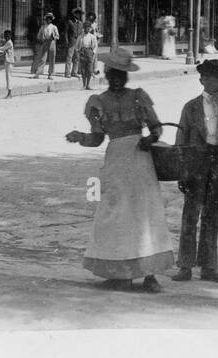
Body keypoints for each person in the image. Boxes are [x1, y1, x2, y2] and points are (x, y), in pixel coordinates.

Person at [65, 47, 175, 293]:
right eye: (112, 73)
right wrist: (79, 136)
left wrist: (150, 138)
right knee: (116, 214)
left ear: (126, 76)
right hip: (116, 161)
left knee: (145, 214)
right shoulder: (98, 102)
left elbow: (156, 128)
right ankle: (120, 273)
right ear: (106, 73)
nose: (116, 78)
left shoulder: (138, 97)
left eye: (121, 74)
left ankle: (150, 275)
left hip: (139, 160)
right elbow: (96, 139)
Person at [171, 59, 218, 284]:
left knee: (212, 216)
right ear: (202, 80)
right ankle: (185, 266)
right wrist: (181, 171)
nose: (217, 82)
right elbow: (180, 141)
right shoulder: (191, 107)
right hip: (196, 165)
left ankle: (209, 267)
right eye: (213, 78)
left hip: (217, 163)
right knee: (190, 215)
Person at [32, 12, 59, 79]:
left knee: (52, 58)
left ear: (51, 19)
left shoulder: (54, 27)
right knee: (42, 58)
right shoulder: (43, 27)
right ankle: (38, 73)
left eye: (50, 19)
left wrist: (54, 37)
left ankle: (50, 74)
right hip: (44, 43)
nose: (48, 20)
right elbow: (38, 35)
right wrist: (41, 39)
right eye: (47, 18)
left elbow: (58, 36)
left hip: (52, 43)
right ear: (45, 19)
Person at [76, 20, 98, 89]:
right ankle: (84, 85)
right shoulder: (80, 37)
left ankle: (88, 85)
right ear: (84, 28)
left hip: (89, 53)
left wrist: (93, 52)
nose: (87, 29)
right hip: (83, 53)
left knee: (89, 70)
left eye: (88, 28)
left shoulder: (92, 37)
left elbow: (95, 46)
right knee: (83, 70)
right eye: (86, 28)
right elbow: (76, 46)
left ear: (90, 29)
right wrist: (78, 51)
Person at [65, 9, 84, 78]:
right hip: (71, 42)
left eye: (80, 14)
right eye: (77, 13)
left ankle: (74, 72)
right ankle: (67, 72)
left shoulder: (81, 23)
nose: (78, 15)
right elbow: (66, 32)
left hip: (78, 43)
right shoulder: (70, 22)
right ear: (74, 14)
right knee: (69, 57)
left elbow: (82, 33)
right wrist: (67, 41)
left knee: (77, 58)